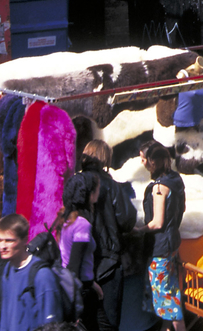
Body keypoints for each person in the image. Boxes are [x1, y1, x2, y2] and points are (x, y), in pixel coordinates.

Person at [80, 139, 137, 330]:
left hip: (81, 262)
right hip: (109, 263)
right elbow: (127, 220)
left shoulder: (74, 183)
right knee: (109, 323)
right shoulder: (112, 186)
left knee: (84, 322)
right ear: (105, 159)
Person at [140, 141, 186, 331]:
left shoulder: (159, 187)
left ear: (152, 162)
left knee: (167, 301)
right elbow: (182, 209)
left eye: (143, 158)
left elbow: (157, 222)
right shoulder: (176, 179)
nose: (141, 162)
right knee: (170, 294)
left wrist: (136, 231)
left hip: (160, 248)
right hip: (173, 243)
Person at [0, 213, 62, 331]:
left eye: (9, 241)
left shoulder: (42, 275)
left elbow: (51, 325)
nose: (3, 246)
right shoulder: (7, 269)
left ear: (25, 240)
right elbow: (5, 318)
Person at [59, 171, 102, 331]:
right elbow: (75, 263)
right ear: (89, 194)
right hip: (79, 288)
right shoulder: (82, 224)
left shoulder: (67, 218)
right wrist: (89, 284)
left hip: (68, 282)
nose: (99, 192)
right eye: (97, 189)